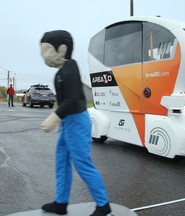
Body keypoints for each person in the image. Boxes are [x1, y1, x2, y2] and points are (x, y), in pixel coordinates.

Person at [40, 30, 112, 216]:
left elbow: (72, 99)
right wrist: (60, 120)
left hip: (78, 121)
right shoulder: (59, 73)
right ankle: (61, 203)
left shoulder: (71, 66)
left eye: (47, 50)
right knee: (61, 161)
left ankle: (103, 205)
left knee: (82, 163)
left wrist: (55, 116)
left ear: (62, 49)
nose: (43, 55)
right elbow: (64, 100)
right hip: (67, 123)